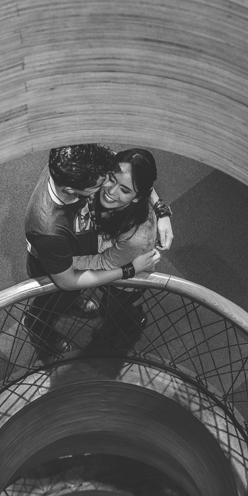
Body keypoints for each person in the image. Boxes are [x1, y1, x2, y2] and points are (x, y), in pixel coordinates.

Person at [23, 144, 160, 360]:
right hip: (57, 267)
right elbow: (67, 280)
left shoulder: (71, 168)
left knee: (73, 298)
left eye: (121, 188)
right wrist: (128, 270)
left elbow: (131, 171)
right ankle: (39, 329)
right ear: (72, 189)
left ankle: (72, 303)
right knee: (48, 306)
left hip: (79, 258)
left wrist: (161, 208)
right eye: (104, 182)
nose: (107, 188)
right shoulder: (49, 228)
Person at [72, 148, 172, 350]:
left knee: (113, 310)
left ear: (136, 197)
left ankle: (132, 323)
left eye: (124, 190)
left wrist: (66, 261)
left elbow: (105, 262)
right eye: (111, 178)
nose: (110, 191)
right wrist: (162, 210)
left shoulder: (137, 235)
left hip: (125, 281)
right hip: (116, 261)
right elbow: (132, 177)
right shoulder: (122, 179)